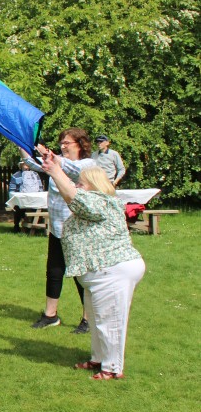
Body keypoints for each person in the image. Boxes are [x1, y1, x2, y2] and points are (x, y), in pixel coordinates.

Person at [42, 160, 144, 380]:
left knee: (110, 321)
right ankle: (98, 359)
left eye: (81, 183)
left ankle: (112, 369)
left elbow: (72, 195)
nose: (77, 187)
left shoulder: (102, 202)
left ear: (94, 185)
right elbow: (71, 197)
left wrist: (54, 169)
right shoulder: (95, 203)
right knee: (98, 319)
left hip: (112, 269)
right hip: (99, 272)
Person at [20, 129, 96, 333]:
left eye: (67, 143)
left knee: (81, 275)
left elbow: (72, 170)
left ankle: (88, 319)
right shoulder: (58, 161)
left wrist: (53, 159)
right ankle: (50, 315)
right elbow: (37, 165)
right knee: (54, 271)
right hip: (57, 228)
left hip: (77, 230)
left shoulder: (87, 165)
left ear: (80, 144)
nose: (63, 146)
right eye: (61, 142)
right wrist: (21, 144)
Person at [8, 160, 44, 233]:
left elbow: (40, 187)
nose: (26, 166)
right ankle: (17, 225)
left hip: (34, 198)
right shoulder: (16, 175)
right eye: (25, 164)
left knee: (38, 207)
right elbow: (12, 189)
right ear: (21, 165)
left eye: (28, 164)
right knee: (18, 208)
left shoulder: (35, 174)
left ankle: (34, 226)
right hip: (21, 199)